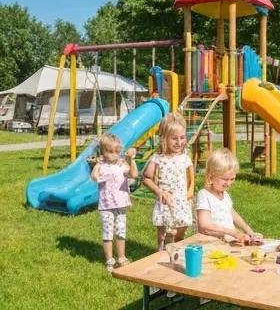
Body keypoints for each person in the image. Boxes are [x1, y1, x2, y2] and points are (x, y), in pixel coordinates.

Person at [141, 113, 194, 249]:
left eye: (182, 138)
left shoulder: (185, 157)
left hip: (182, 202)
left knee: (180, 233)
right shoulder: (158, 158)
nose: (179, 142)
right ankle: (161, 255)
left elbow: (190, 178)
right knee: (163, 236)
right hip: (166, 202)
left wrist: (189, 194)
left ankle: (175, 253)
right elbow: (146, 178)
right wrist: (159, 191)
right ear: (164, 138)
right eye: (174, 139)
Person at [90, 133, 137, 272]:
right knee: (107, 233)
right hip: (106, 205)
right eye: (110, 152)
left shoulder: (122, 164)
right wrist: (97, 164)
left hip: (121, 204)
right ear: (103, 151)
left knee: (121, 231)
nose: (114, 155)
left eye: (117, 152)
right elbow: (94, 177)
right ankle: (109, 259)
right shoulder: (101, 165)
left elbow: (134, 175)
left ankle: (121, 257)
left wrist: (131, 159)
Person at [195, 148, 262, 244]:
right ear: (211, 177)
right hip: (211, 243)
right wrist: (233, 232)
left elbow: (231, 212)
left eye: (232, 179)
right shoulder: (204, 195)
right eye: (225, 179)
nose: (229, 183)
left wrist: (249, 230)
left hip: (228, 241)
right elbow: (205, 225)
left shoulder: (224, 194)